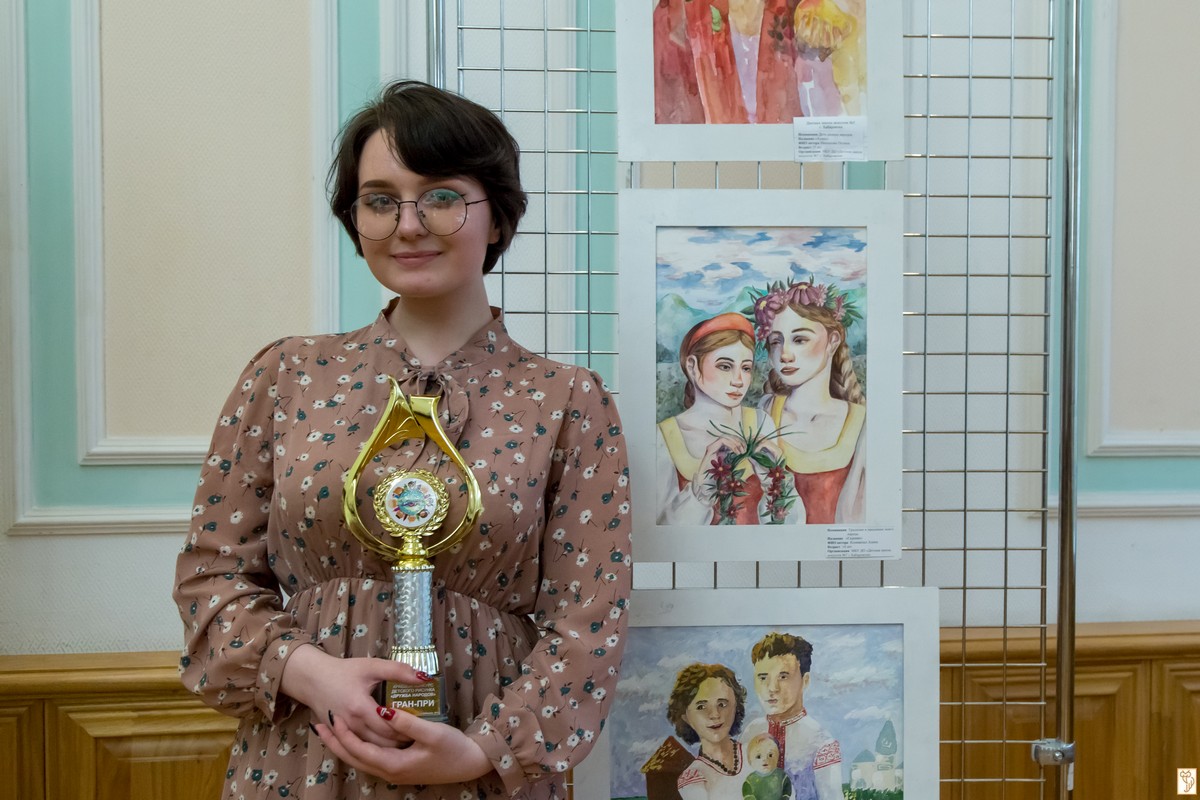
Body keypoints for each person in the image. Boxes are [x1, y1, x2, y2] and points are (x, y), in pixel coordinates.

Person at [172, 80, 632, 800]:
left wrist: (481, 750)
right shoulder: (286, 376)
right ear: (355, 221)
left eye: (442, 197)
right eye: (380, 201)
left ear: (498, 217)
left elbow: (588, 621)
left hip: (481, 770)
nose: (408, 224)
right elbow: (212, 576)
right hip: (301, 757)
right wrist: (311, 674)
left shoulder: (569, 402)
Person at [656, 314, 793, 526]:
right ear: (692, 366)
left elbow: (787, 524)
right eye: (725, 366)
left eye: (746, 368)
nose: (739, 381)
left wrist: (776, 483)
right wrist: (701, 493)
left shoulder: (760, 422)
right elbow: (660, 530)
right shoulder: (665, 436)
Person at [752, 278, 865, 524]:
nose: (785, 354)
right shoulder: (764, 414)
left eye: (800, 340)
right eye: (776, 341)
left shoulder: (863, 424)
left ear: (832, 342)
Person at [742, 634, 841, 800]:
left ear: (805, 681)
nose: (772, 688)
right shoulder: (751, 732)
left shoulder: (820, 741)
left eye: (783, 677)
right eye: (763, 677)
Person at [667, 663, 752, 799]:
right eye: (701, 707)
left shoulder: (755, 753)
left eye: (722, 704)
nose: (715, 714)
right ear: (685, 716)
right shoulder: (694, 778)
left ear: (735, 706)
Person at [742, 733, 793, 800]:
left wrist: (785, 798)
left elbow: (787, 788)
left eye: (770, 755)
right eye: (758, 756)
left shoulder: (781, 775)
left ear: (777, 757)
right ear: (750, 761)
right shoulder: (751, 779)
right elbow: (747, 794)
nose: (765, 759)